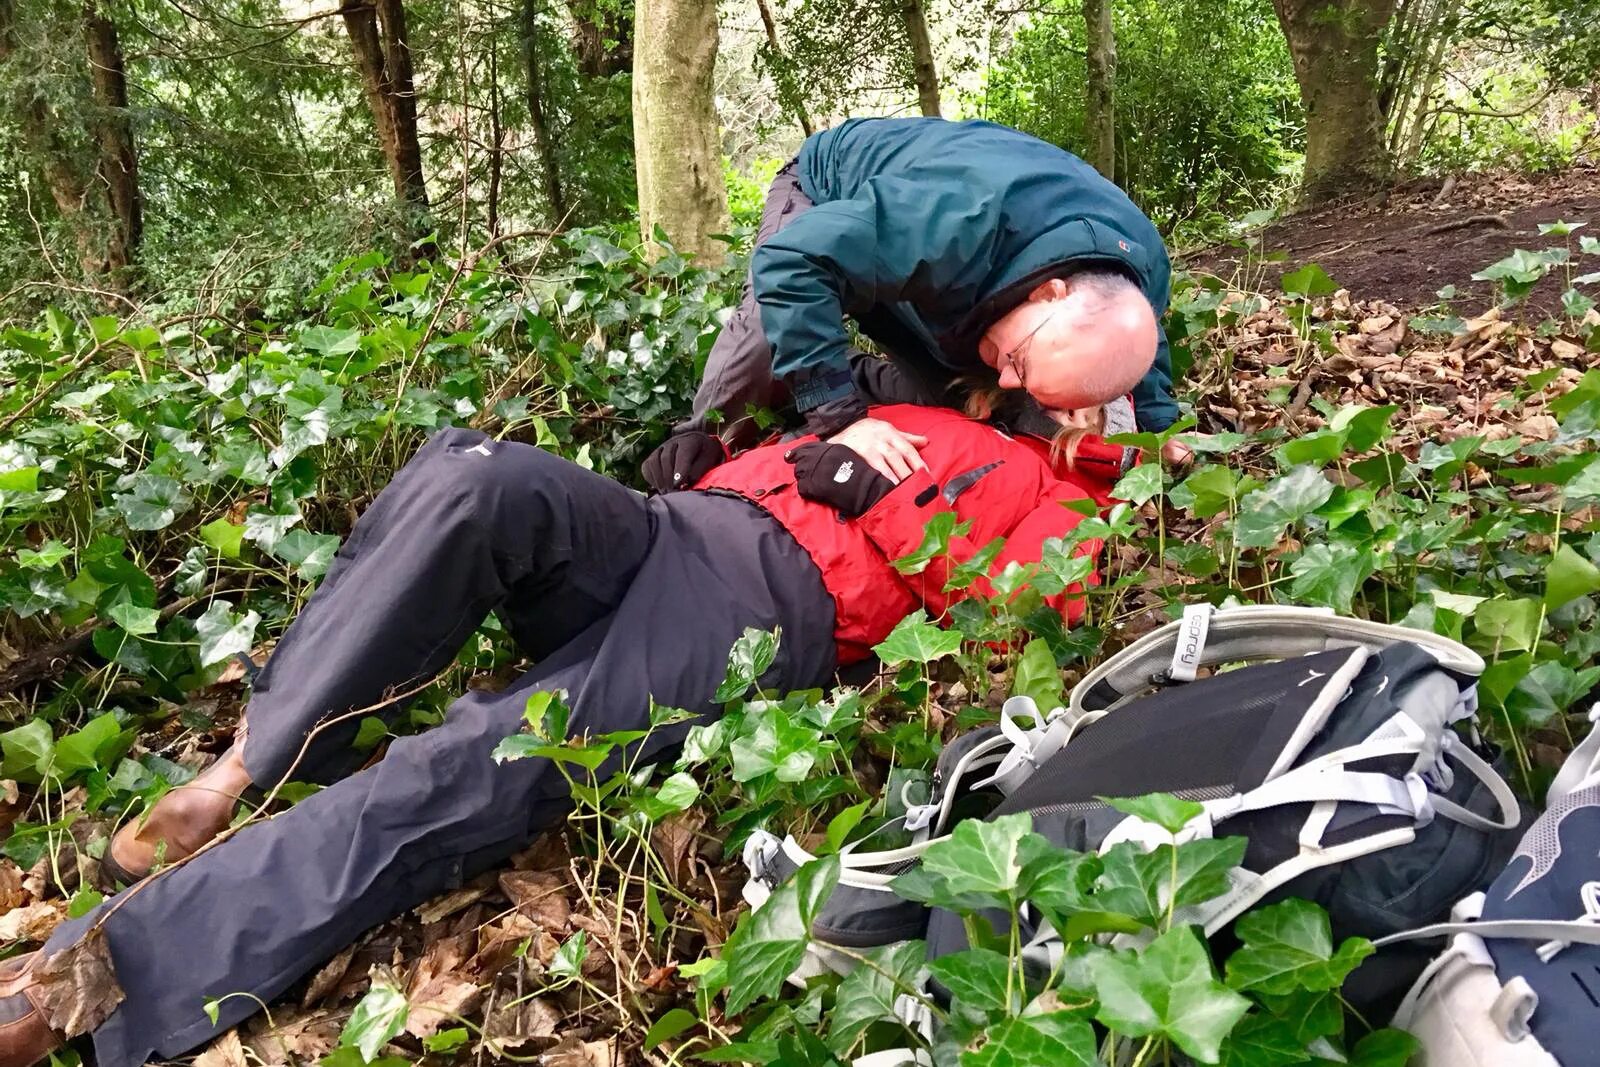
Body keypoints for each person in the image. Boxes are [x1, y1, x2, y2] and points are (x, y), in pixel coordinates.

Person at [0, 356, 1143, 1067]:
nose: (1049, 389)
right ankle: (251, 757)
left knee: (473, 762)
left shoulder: (1057, 501)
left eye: (1089, 396)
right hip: (671, 527)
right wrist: (761, 453)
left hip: (765, 608)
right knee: (476, 482)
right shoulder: (911, 394)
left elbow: (1009, 639)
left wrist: (874, 499)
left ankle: (83, 984)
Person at [642, 116, 1183, 498]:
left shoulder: (1134, 275)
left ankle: (836, 374)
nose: (1012, 379)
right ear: (1051, 292)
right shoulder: (954, 224)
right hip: (830, 193)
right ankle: (704, 431)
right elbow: (791, 263)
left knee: (968, 401)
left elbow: (1139, 338)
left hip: (969, 267)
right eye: (1020, 363)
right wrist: (840, 421)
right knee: (771, 323)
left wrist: (1159, 432)